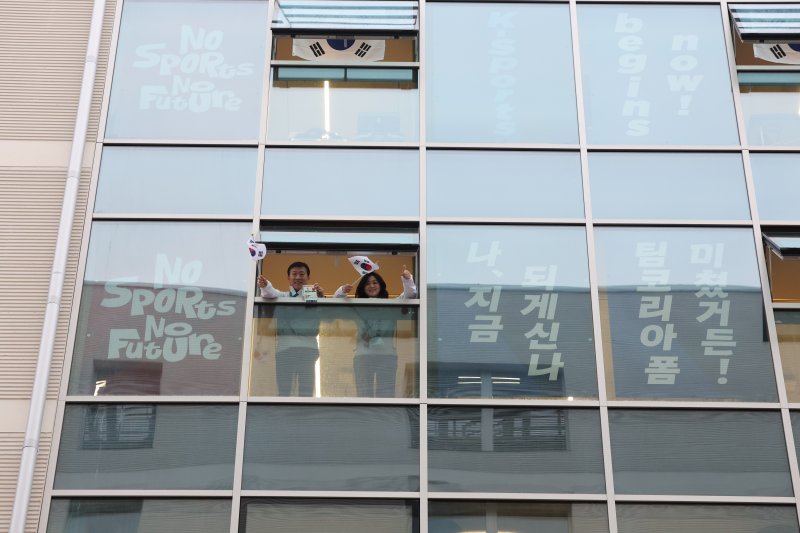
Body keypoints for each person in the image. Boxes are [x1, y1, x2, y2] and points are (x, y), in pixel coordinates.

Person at [333, 266, 416, 397]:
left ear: (381, 285)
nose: (371, 286)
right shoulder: (357, 306)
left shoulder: (391, 305)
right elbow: (335, 302)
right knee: (364, 396)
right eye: (367, 283)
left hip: (387, 356)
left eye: (375, 282)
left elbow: (410, 295)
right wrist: (342, 290)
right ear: (363, 288)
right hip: (363, 356)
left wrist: (407, 279)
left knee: (386, 396)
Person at [257, 262, 325, 396]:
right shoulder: (282, 296)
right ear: (288, 278)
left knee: (306, 392)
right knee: (284, 390)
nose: (298, 277)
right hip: (284, 349)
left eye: (302, 274)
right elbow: (269, 293)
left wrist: (321, 299)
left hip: (307, 349)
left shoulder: (313, 295)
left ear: (308, 277)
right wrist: (265, 285)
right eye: (294, 274)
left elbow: (320, 319)